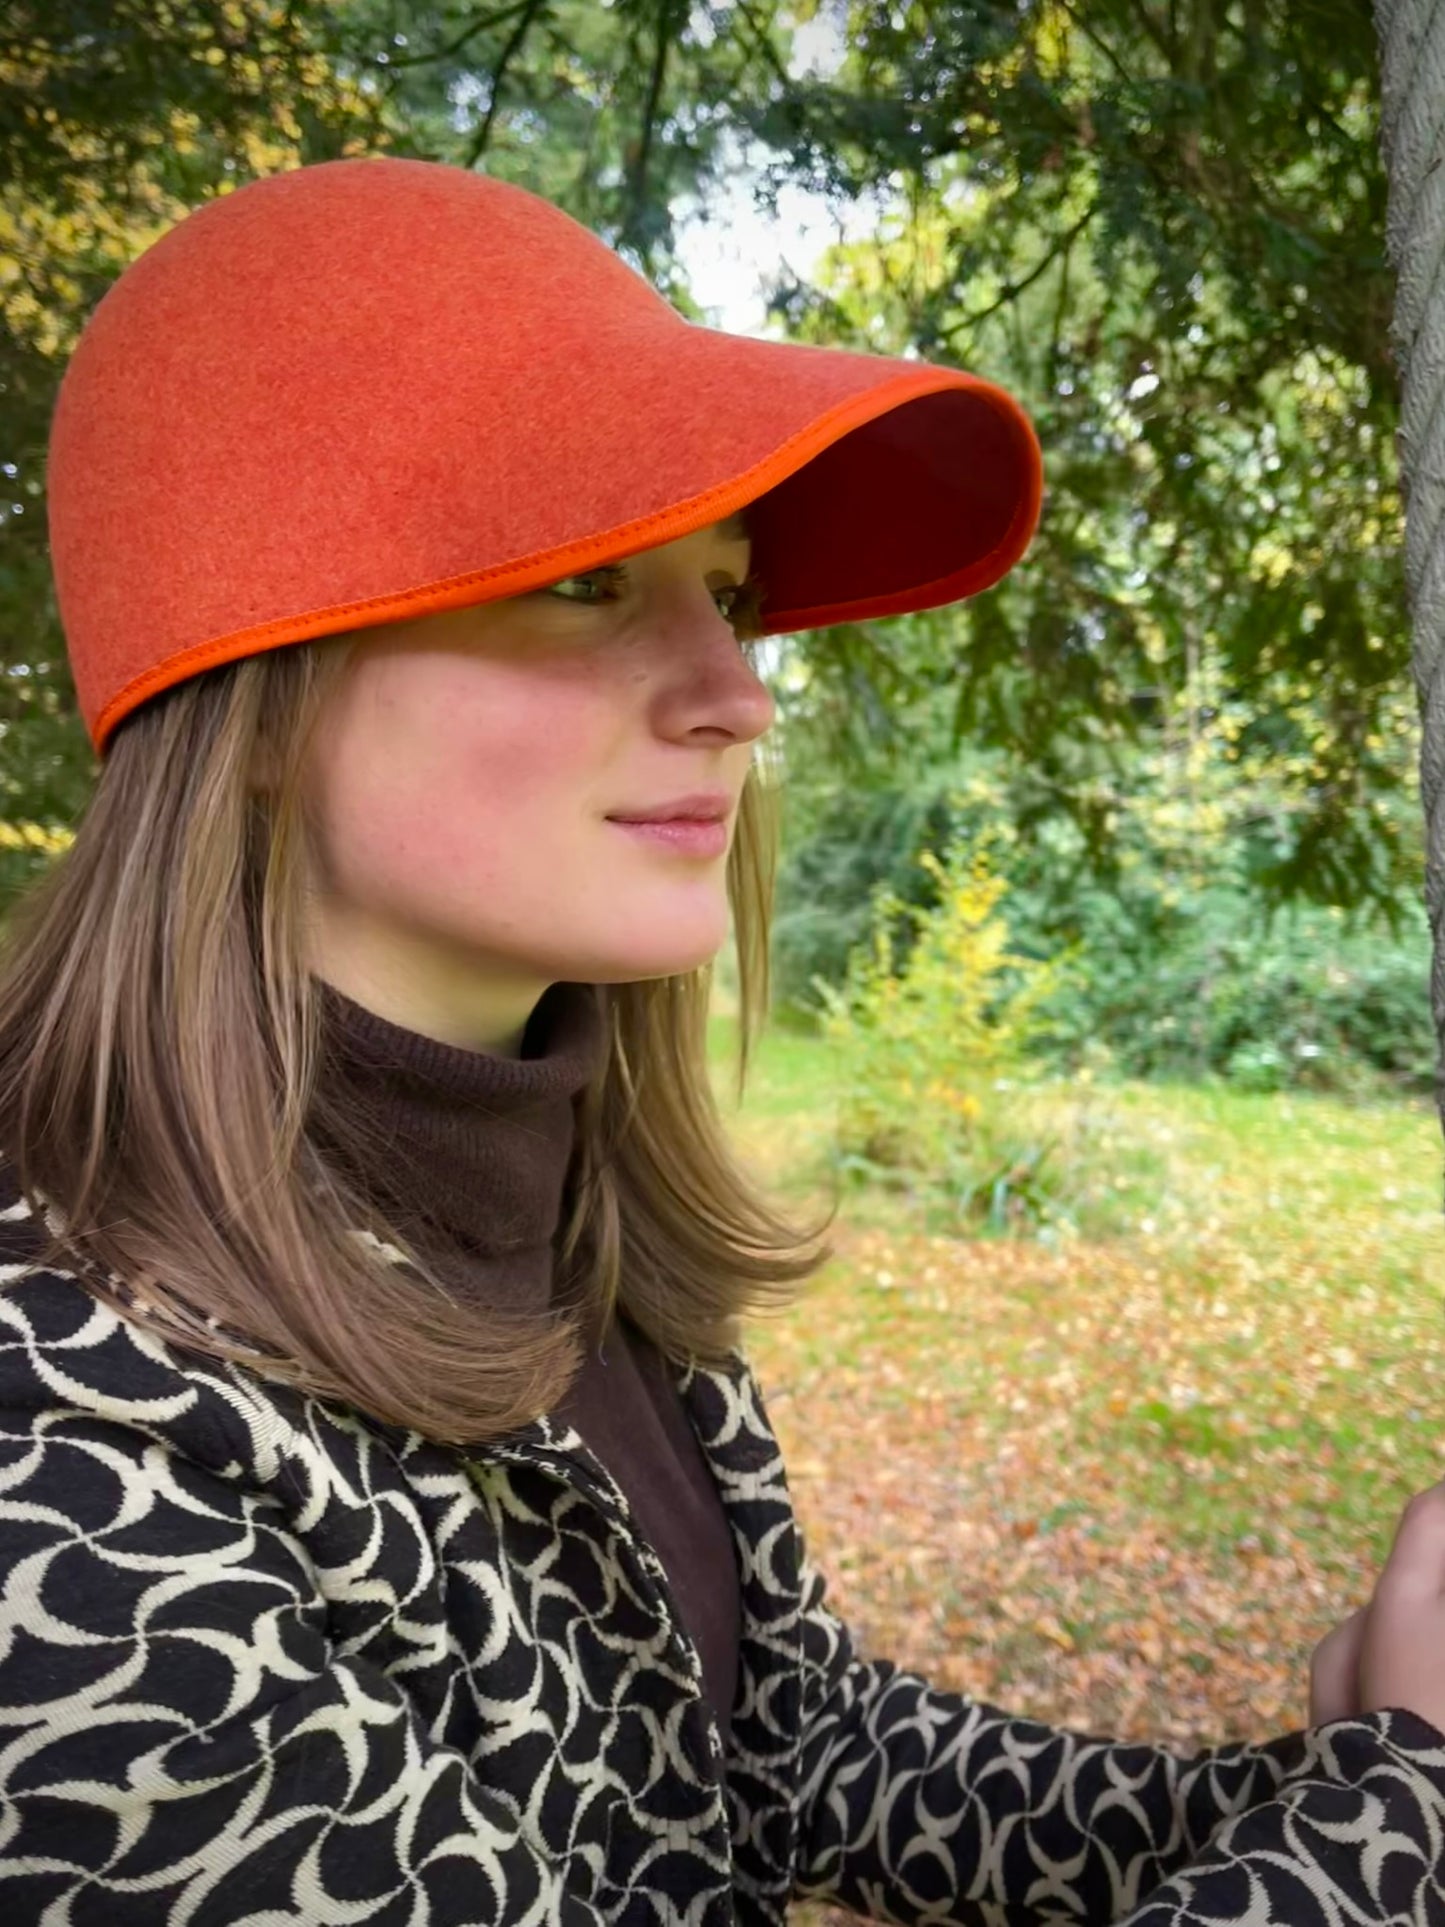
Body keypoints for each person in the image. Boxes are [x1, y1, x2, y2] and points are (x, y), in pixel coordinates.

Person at [0, 153, 1438, 1926]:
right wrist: (1390, 1821)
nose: (738, 694)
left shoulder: (577, 1215)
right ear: (258, 695)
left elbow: (788, 1749)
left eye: (730, 590)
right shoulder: (63, 1452)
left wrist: (1328, 1782)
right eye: (588, 583)